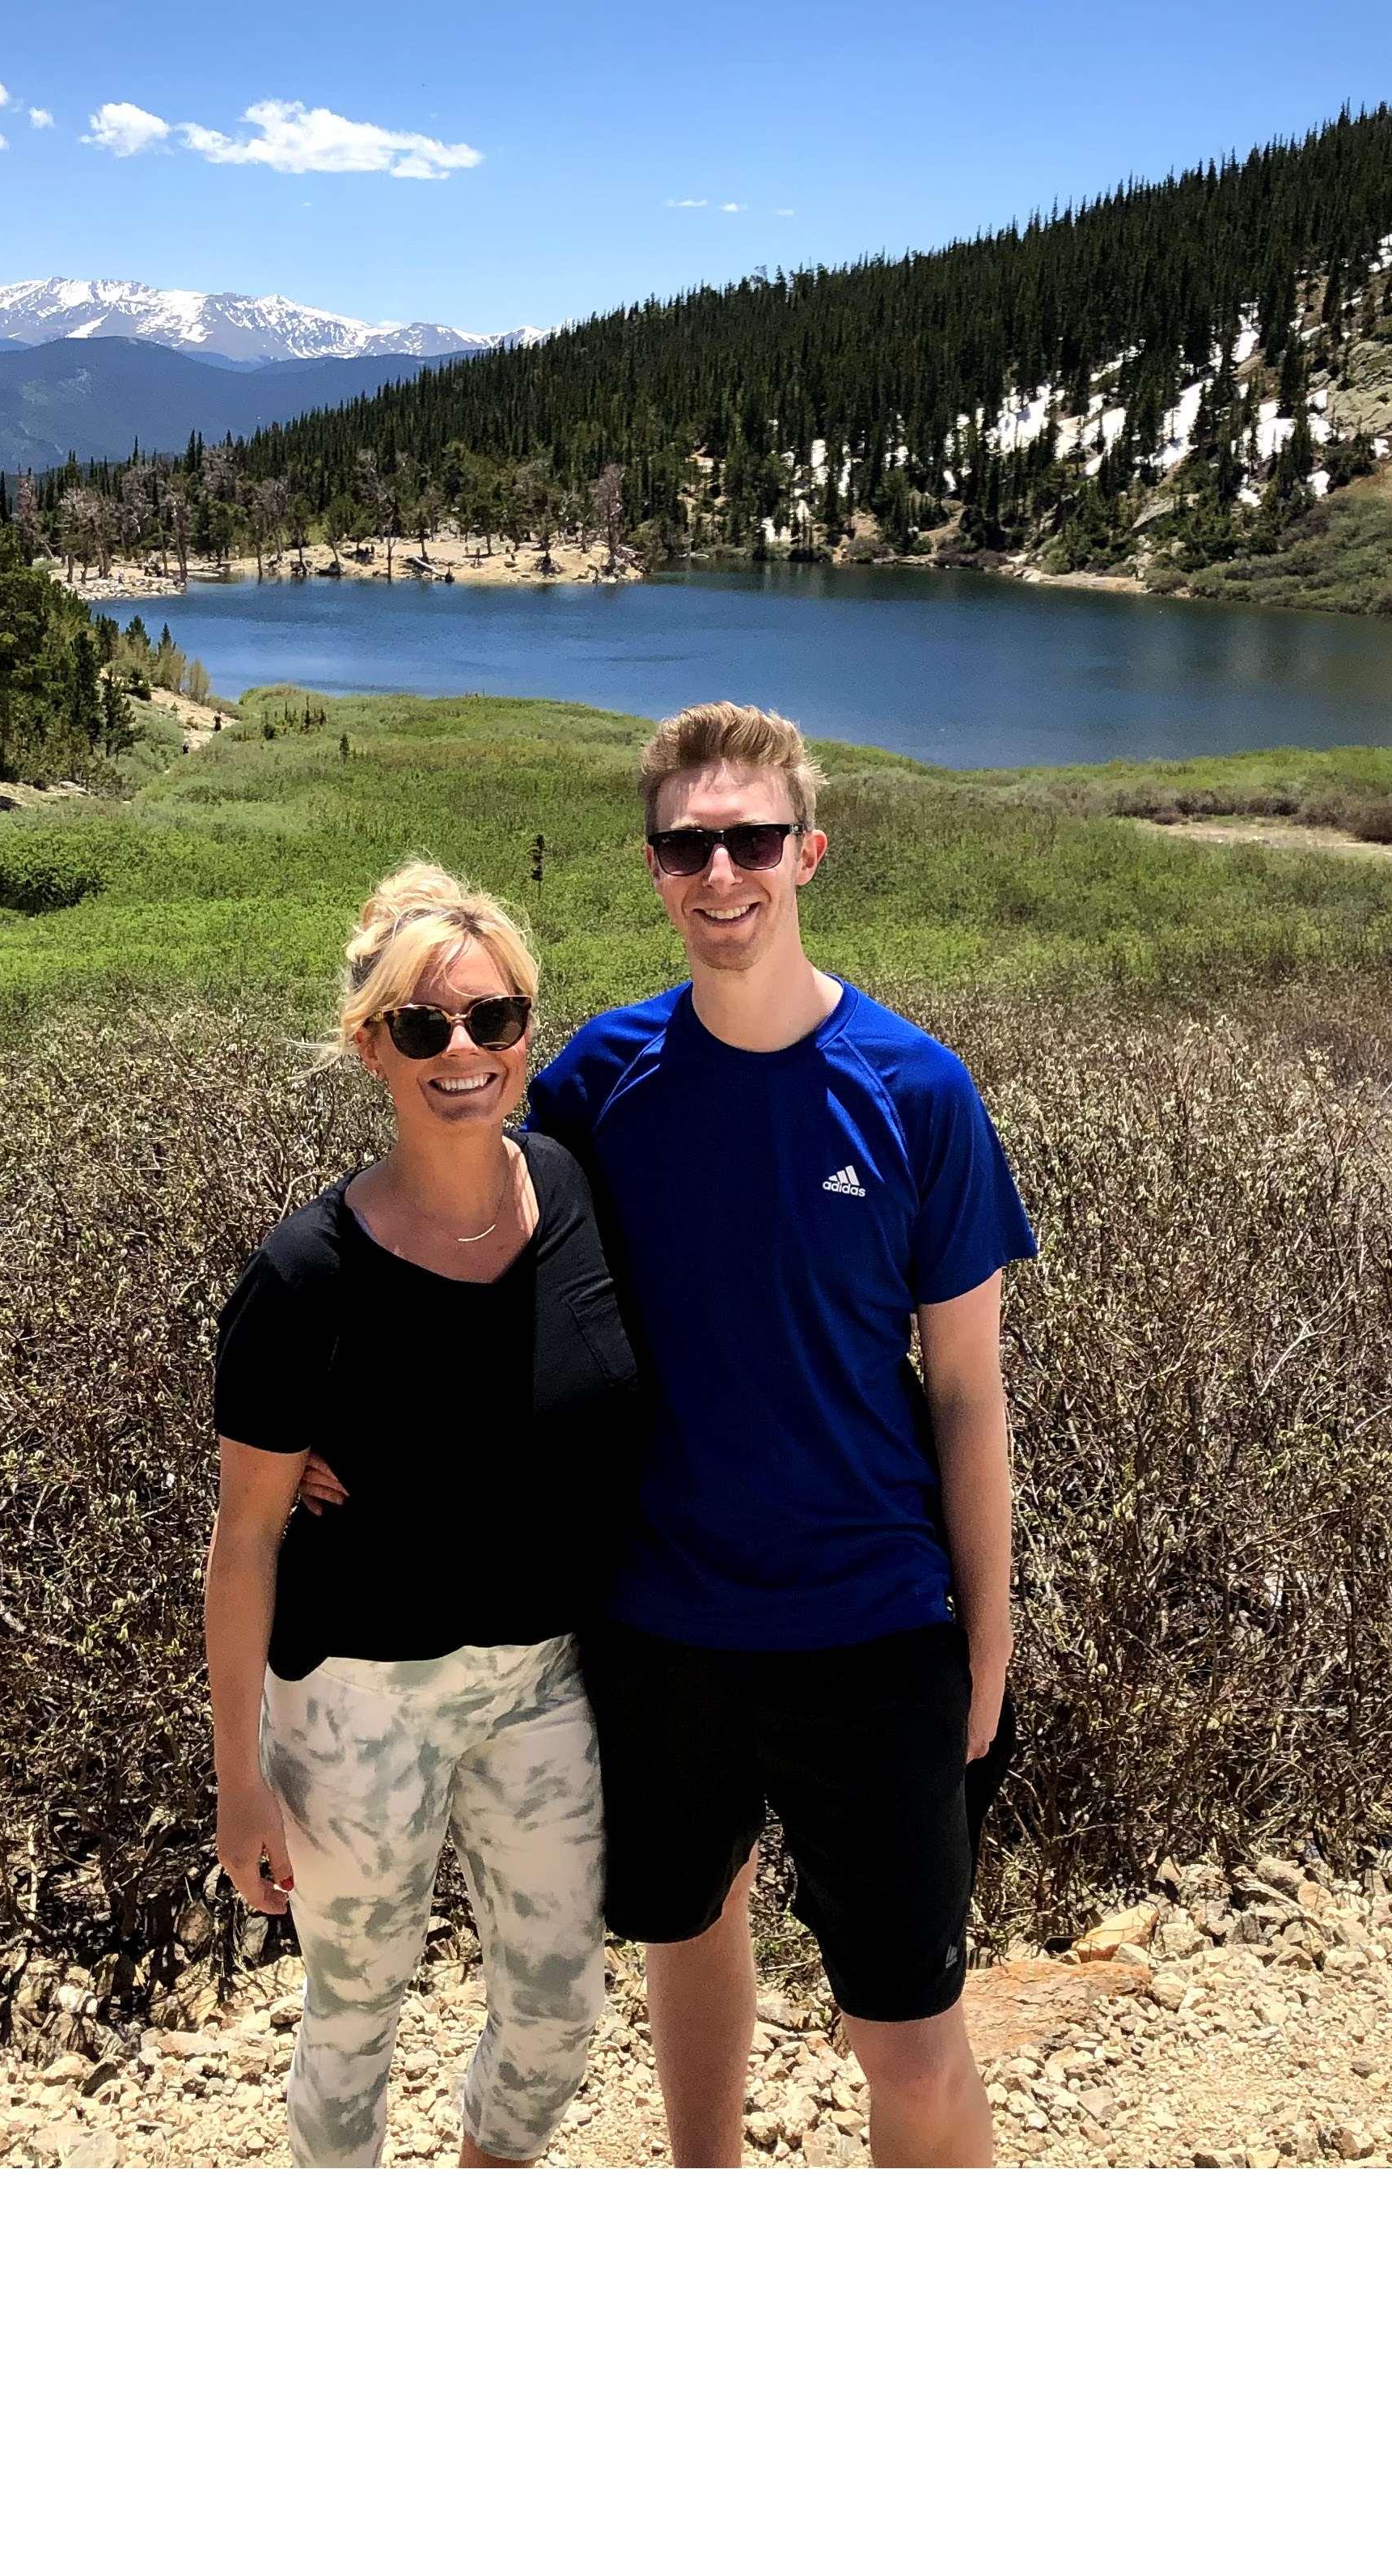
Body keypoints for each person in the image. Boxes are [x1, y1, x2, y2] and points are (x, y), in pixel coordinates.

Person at [527, 701, 1035, 2167]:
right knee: (689, 1927)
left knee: (907, 2034)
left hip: (873, 1626)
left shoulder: (918, 1092)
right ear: (655, 869)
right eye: (690, 847)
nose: (723, 873)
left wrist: (985, 1651)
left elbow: (967, 1396)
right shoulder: (598, 1082)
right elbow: (490, 1263)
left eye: (752, 840)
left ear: (808, 852)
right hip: (662, 1622)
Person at [205, 863, 641, 2168]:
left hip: (540, 1678)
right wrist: (238, 1781)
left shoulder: (574, 1190)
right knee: (353, 2018)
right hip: (357, 1695)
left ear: (528, 1033)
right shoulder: (304, 1276)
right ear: (372, 1048)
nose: (464, 1052)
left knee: (563, 2009)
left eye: (493, 1021)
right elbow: (244, 1541)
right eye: (422, 1028)